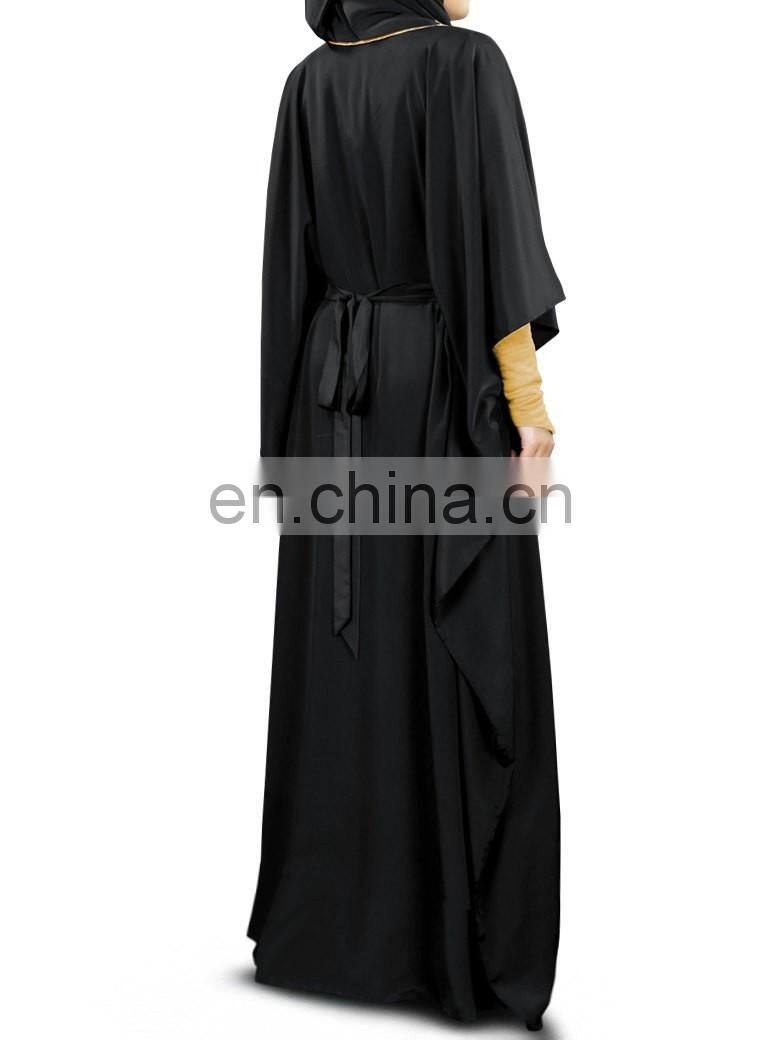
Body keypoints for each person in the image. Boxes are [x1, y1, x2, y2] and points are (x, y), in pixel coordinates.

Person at [249, 1, 565, 1031]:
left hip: (331, 402)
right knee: (460, 645)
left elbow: (286, 274)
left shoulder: (309, 84)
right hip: (433, 390)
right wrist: (530, 411)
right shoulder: (463, 66)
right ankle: (449, 951)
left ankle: (328, 937)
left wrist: (284, 443)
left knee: (347, 661)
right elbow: (496, 249)